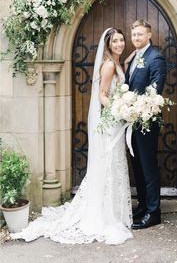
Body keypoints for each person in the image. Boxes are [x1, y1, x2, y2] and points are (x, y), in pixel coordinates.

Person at [11, 28, 133, 245]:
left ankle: (114, 210)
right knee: (108, 166)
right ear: (108, 44)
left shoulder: (117, 63)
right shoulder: (107, 65)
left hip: (116, 124)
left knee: (114, 165)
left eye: (122, 40)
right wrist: (120, 109)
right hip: (112, 122)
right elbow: (102, 96)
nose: (120, 44)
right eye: (115, 41)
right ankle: (104, 213)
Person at [125, 19, 167, 230]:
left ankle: (154, 212)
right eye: (134, 35)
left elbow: (154, 92)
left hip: (146, 123)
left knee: (148, 167)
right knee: (138, 167)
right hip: (133, 122)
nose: (136, 38)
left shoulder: (155, 58)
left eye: (140, 35)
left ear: (149, 35)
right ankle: (143, 206)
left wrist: (136, 109)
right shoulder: (134, 58)